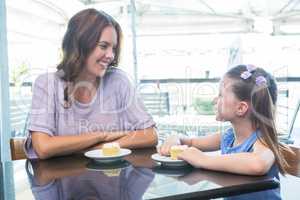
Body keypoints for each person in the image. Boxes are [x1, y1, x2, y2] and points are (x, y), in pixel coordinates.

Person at [24, 8, 157, 159]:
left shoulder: (118, 81)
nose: (111, 56)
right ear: (80, 44)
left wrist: (101, 147)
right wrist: (101, 136)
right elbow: (43, 147)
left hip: (111, 176)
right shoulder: (47, 84)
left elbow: (150, 135)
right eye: (103, 46)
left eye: (113, 48)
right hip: (60, 178)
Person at [158, 64, 294, 199]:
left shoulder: (263, 140)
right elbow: (191, 141)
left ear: (241, 108)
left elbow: (258, 164)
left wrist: (203, 159)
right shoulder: (228, 137)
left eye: (220, 95)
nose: (214, 100)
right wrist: (175, 138)